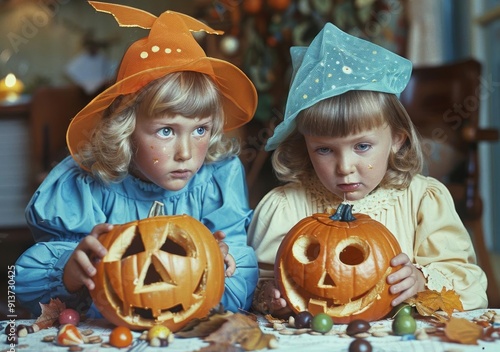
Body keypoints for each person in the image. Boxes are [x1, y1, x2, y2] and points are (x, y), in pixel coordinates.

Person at [15, 2, 259, 317]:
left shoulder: (216, 179)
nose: (185, 152)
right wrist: (69, 272)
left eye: (200, 129)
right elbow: (18, 285)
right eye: (166, 131)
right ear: (126, 129)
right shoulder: (86, 187)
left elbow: (245, 274)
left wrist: (219, 268)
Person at [248, 23, 488, 316]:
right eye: (324, 149)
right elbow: (250, 283)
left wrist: (422, 280)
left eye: (362, 147)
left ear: (397, 140)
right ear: (305, 147)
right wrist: (267, 296)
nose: (345, 168)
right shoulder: (284, 207)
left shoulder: (422, 200)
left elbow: (470, 284)